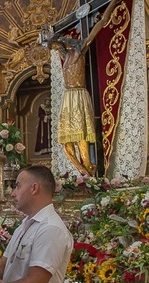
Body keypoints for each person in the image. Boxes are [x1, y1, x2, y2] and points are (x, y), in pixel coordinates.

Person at [52, 0, 120, 176]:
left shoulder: (79, 51)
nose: (62, 44)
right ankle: (81, 169)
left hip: (79, 94)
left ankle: (89, 168)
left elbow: (102, 22)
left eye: (65, 41)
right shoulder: (64, 56)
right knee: (66, 141)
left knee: (80, 133)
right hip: (68, 96)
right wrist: (49, 37)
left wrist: (111, 4)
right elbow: (51, 42)